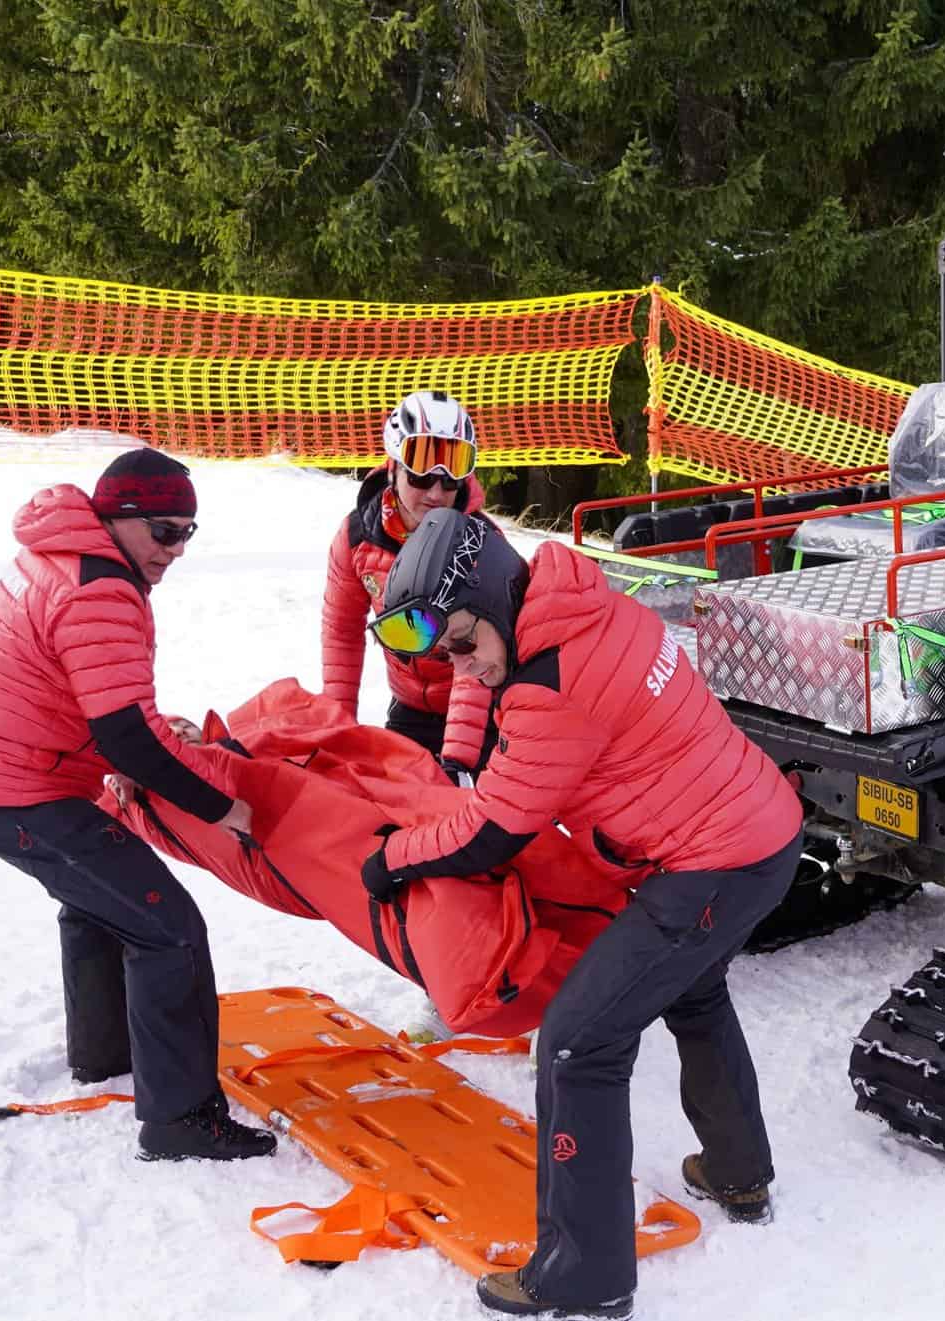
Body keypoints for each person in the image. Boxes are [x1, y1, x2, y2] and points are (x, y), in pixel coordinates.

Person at [360, 508, 803, 1319]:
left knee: (577, 1040)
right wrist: (455, 755)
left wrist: (392, 858)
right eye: (443, 652)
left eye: (461, 642)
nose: (460, 665)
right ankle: (739, 1173)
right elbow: (483, 688)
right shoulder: (577, 602)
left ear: (492, 598)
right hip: (754, 830)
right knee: (694, 991)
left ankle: (586, 1271)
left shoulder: (551, 683)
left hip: (715, 860)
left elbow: (492, 829)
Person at [0, 448, 276, 1163]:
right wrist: (222, 806)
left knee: (99, 900)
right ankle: (180, 1118)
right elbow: (122, 730)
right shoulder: (98, 584)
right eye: (164, 531)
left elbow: (96, 704)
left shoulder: (61, 553)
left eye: (188, 532)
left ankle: (106, 1054)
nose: (176, 550)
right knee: (167, 926)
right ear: (119, 517)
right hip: (11, 789)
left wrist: (134, 744)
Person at [322, 390, 504, 784]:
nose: (436, 493)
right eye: (421, 476)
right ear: (394, 467)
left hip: (484, 710)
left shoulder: (480, 543)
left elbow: (474, 656)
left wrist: (456, 759)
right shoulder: (357, 536)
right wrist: (339, 726)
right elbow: (341, 633)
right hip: (410, 706)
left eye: (450, 479)